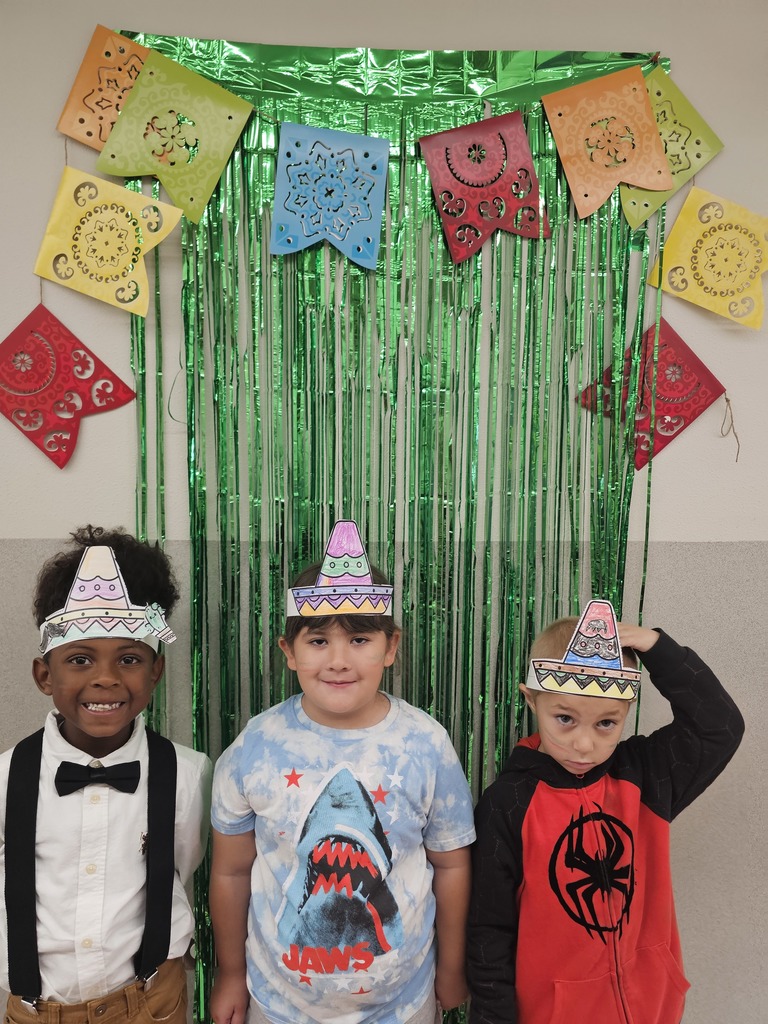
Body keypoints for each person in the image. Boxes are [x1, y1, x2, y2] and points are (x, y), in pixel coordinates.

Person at [209, 520, 475, 1024]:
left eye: (358, 639)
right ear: (288, 652)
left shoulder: (426, 743)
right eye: (317, 642)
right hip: (278, 1003)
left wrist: (452, 968)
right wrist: (228, 973)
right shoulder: (256, 745)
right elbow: (230, 869)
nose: (337, 660)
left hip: (403, 1004)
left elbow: (453, 864)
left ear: (390, 648)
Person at [467, 599, 744, 1024]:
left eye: (605, 724)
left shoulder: (646, 777)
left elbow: (719, 726)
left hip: (651, 1005)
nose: (584, 745)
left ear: (626, 713)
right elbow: (489, 930)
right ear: (531, 701)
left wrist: (656, 647)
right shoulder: (509, 802)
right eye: (564, 718)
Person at [0, 525, 212, 1024]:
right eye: (79, 659)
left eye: (130, 659)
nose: (106, 678)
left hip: (155, 1004)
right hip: (36, 1010)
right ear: (44, 674)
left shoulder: (189, 776)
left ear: (155, 672)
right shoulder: (6, 777)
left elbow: (184, 864)